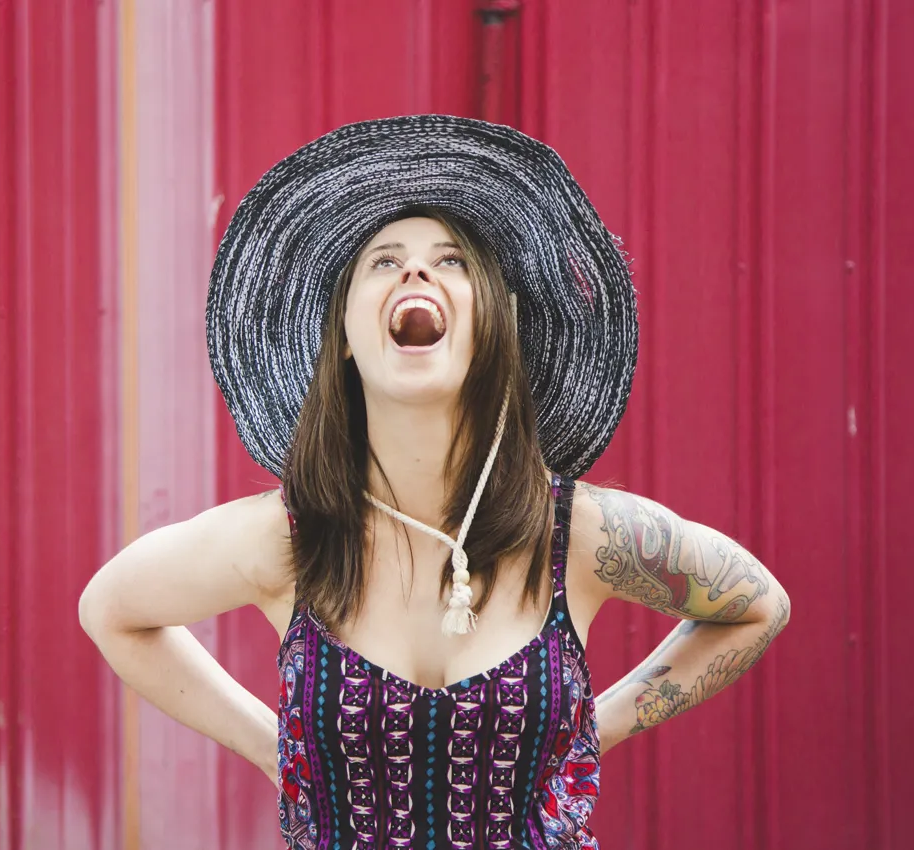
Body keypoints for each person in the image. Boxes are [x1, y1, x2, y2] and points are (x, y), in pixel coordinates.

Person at [79, 115, 790, 849]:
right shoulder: (288, 538)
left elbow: (756, 605)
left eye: (451, 261)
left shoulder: (575, 533)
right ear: (345, 337)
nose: (415, 272)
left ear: (492, 326)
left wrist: (590, 730)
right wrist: (271, 745)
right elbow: (112, 609)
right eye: (382, 261)